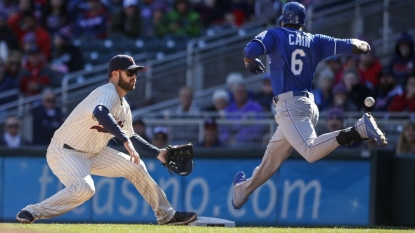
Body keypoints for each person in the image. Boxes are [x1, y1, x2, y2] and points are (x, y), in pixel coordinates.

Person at [232, 2, 387, 210]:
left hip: (290, 107)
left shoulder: (275, 34)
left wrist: (249, 62)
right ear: (303, 22)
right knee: (271, 159)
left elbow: (249, 50)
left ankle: (359, 130)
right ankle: (242, 190)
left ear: (283, 18)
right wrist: (366, 46)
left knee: (310, 151)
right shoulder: (315, 40)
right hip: (308, 106)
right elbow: (353, 45)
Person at [15, 54, 197, 225]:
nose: (134, 76)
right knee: (85, 189)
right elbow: (100, 112)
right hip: (65, 151)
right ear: (114, 75)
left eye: (135, 72)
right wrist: (125, 141)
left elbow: (131, 135)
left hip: (94, 152)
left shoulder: (124, 105)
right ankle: (33, 211)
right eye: (130, 72)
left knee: (136, 166)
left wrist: (159, 154)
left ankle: (166, 216)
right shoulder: (106, 91)